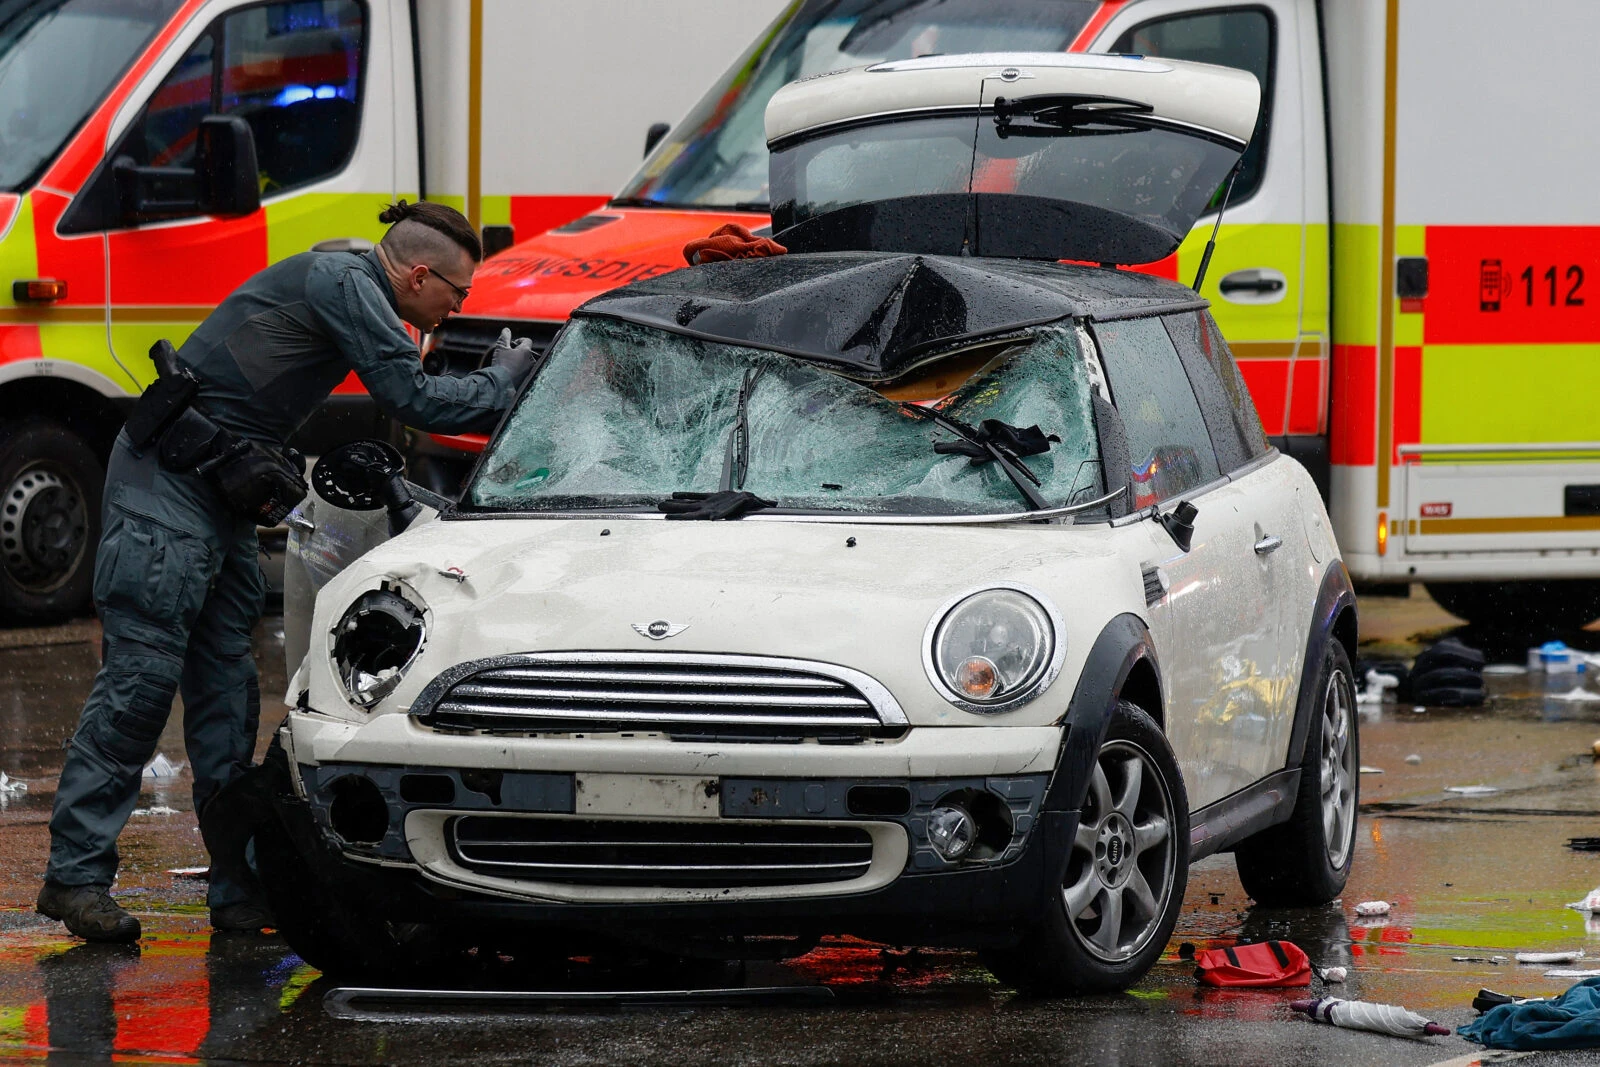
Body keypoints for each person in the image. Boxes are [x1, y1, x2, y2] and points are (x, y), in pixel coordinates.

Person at [37, 201, 538, 943]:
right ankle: (75, 879)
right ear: (419, 272)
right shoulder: (347, 283)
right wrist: (504, 379)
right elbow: (413, 399)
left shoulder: (349, 284)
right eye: (454, 294)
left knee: (229, 705)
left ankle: (239, 893)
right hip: (166, 489)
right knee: (140, 688)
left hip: (214, 493)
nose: (454, 308)